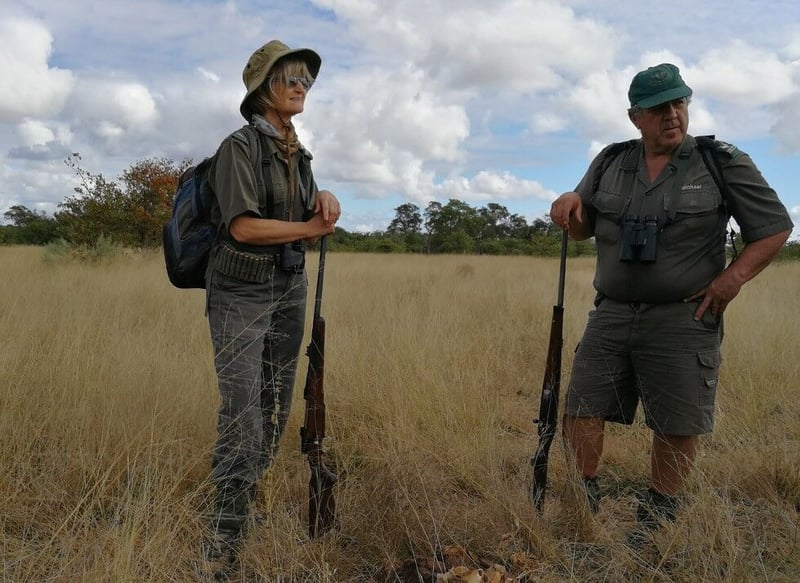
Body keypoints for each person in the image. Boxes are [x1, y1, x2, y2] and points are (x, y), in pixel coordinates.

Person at [549, 63, 792, 544]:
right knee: (581, 404)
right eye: (659, 108)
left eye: (679, 103)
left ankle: (659, 517)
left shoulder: (720, 161)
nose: (672, 115)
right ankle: (585, 499)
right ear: (635, 116)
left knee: (677, 419)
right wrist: (568, 206)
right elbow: (583, 225)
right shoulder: (611, 161)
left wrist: (730, 281)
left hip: (686, 313)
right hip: (613, 309)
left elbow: (774, 227)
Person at [199, 40, 340, 579]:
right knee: (243, 415)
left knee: (278, 407)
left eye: (306, 79)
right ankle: (223, 534)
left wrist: (324, 196)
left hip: (289, 287)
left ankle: (245, 505)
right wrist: (310, 228)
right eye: (290, 78)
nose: (301, 85)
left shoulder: (296, 151)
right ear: (263, 89)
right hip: (240, 291)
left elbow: (305, 206)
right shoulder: (238, 146)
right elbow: (244, 226)